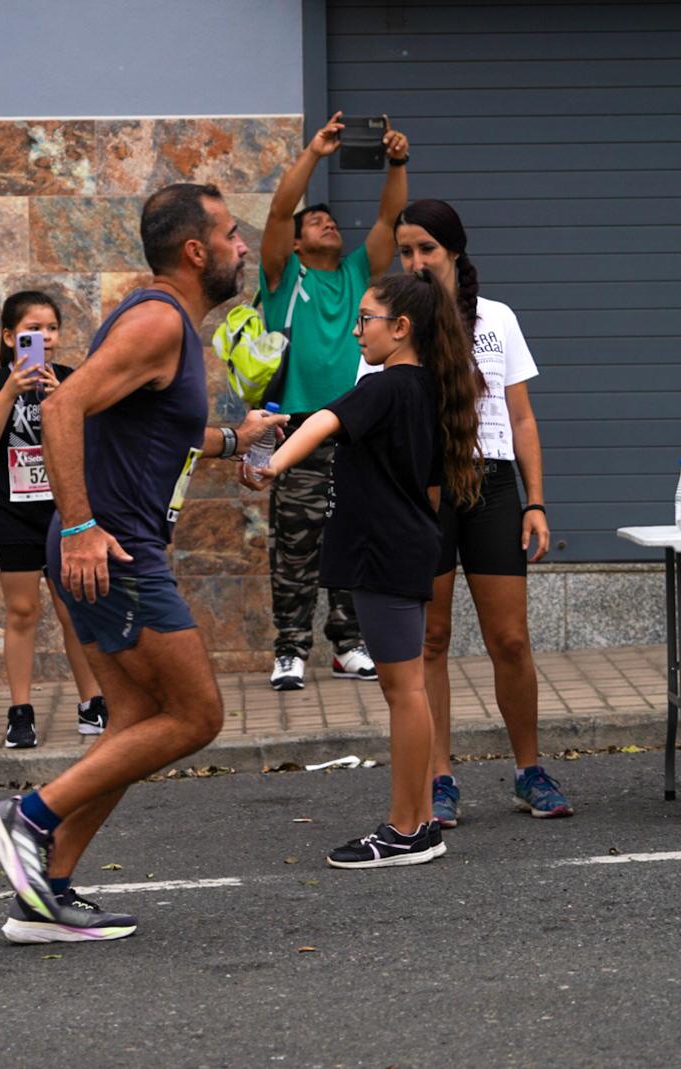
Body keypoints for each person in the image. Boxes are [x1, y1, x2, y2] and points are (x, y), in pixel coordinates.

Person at [0, 184, 287, 942]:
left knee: (137, 718)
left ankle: (44, 893)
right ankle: (31, 816)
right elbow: (61, 407)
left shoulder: (163, 321)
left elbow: (149, 431)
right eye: (231, 235)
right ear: (195, 250)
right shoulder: (156, 321)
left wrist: (232, 441)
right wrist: (81, 525)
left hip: (105, 540)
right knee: (197, 713)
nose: (242, 247)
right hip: (110, 546)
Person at [244, 269, 482, 868]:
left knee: (404, 693)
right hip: (403, 547)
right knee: (409, 691)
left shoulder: (385, 386)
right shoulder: (428, 388)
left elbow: (324, 421)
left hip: (386, 552)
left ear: (401, 329)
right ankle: (419, 821)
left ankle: (406, 829)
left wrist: (272, 466)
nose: (357, 332)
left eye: (366, 320)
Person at [394, 199, 571, 823]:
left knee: (511, 640)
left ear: (455, 251)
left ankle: (530, 770)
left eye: (427, 250)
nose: (415, 262)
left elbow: (521, 418)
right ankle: (440, 779)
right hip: (426, 492)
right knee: (432, 640)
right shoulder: (393, 322)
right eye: (406, 251)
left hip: (492, 486)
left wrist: (537, 502)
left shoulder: (496, 318)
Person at [255, 111, 410, 691]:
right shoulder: (280, 275)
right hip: (294, 428)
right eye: (314, 221)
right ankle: (290, 650)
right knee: (294, 546)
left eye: (328, 219)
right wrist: (316, 151)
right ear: (295, 242)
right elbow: (277, 211)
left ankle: (348, 645)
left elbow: (391, 218)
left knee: (352, 534)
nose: (325, 224)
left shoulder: (355, 274)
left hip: (354, 426)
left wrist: (396, 162)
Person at [0, 290, 108, 749]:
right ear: (9, 337)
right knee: (23, 611)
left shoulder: (70, 379)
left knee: (74, 609)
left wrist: (59, 396)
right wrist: (11, 390)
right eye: (31, 329)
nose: (43, 337)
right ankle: (20, 711)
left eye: (51, 328)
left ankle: (93, 704)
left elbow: (92, 441)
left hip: (62, 511)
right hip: (10, 513)